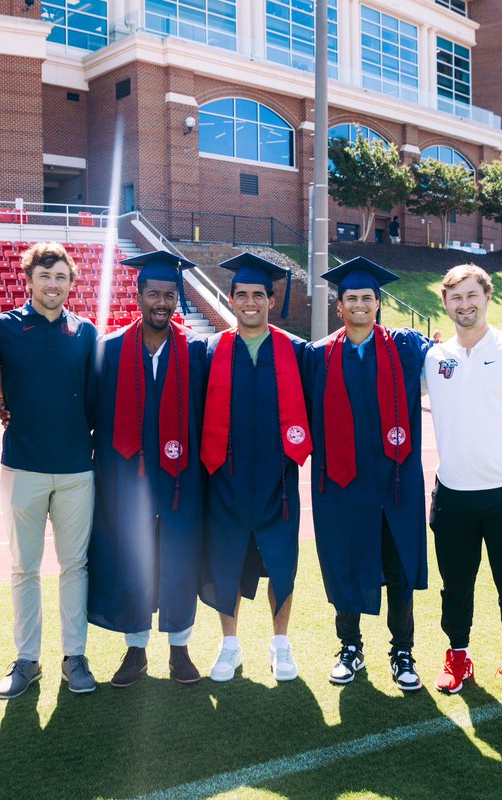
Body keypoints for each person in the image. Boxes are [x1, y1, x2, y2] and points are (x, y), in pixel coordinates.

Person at [301, 257, 432, 692]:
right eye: (351, 298)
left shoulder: (406, 348)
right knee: (345, 564)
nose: (360, 305)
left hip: (395, 481)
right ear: (339, 306)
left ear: (379, 303)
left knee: (397, 569)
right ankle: (350, 647)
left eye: (367, 298)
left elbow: (454, 362)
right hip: (340, 483)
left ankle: (403, 651)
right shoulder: (317, 356)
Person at [423, 263, 502, 704]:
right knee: (455, 585)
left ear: (487, 297)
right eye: (456, 297)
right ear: (445, 302)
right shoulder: (434, 357)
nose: (465, 305)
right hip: (453, 494)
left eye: (472, 296)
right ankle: (458, 656)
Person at [0, 242, 99, 698]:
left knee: (75, 566)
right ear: (28, 280)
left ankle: (75, 657)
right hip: (23, 466)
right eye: (45, 276)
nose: (53, 285)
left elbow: (93, 394)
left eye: (61, 277)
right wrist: (7, 399)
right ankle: (27, 659)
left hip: (75, 468)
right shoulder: (5, 328)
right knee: (23, 568)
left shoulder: (85, 331)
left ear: (72, 283)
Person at [88, 251, 208, 687]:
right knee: (133, 559)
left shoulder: (196, 350)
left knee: (178, 558)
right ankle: (135, 650)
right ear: (138, 295)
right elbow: (84, 412)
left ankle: (180, 650)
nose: (162, 302)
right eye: (154, 293)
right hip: (125, 478)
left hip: (181, 478)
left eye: (169, 295)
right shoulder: (110, 350)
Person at [199, 253, 310, 683]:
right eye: (241, 294)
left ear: (270, 299)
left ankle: (280, 643)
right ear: (230, 298)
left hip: (278, 480)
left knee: (281, 563)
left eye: (258, 295)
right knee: (226, 561)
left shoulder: (295, 352)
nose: (250, 302)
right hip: (224, 480)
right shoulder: (210, 350)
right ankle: (230, 645)